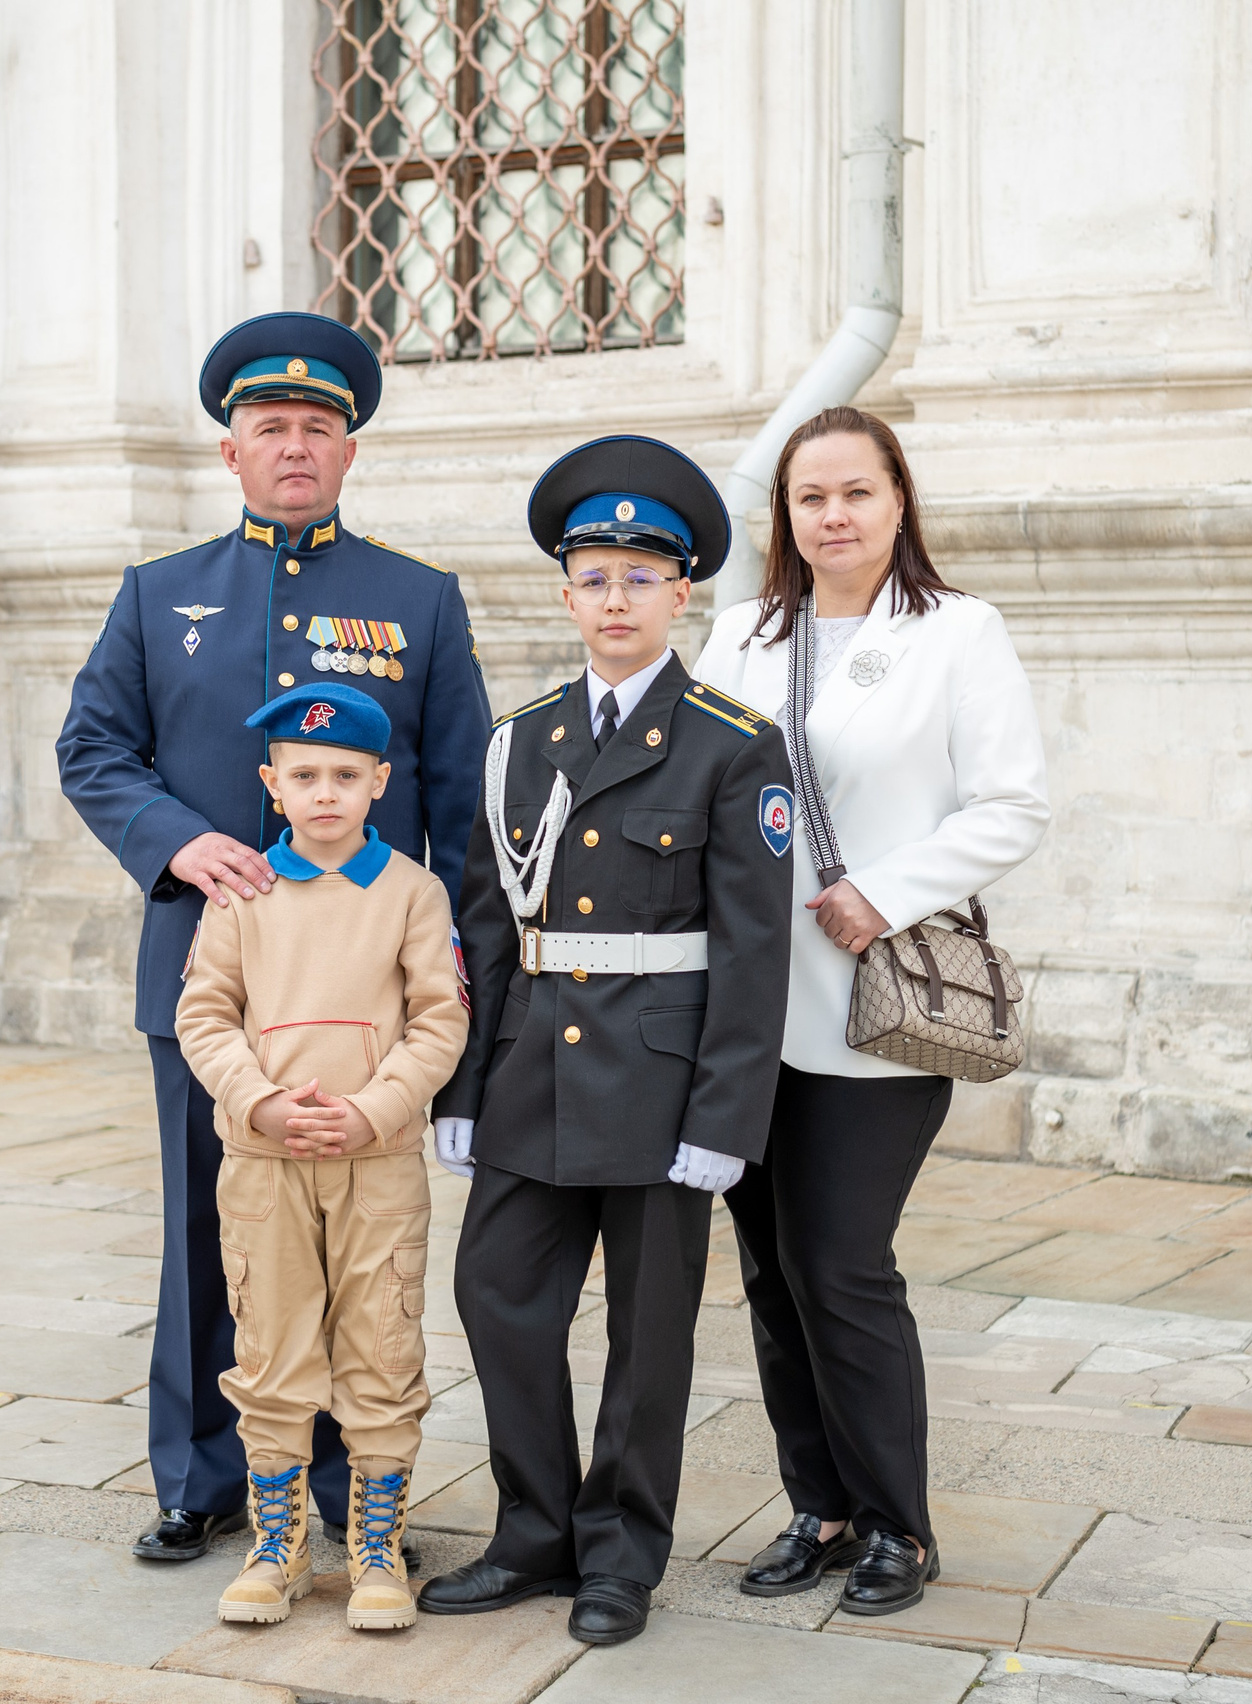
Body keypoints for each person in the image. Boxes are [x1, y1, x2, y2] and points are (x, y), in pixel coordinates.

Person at [58, 312, 490, 1562]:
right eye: (269, 429)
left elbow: (457, 800)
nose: (293, 447)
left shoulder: (417, 600)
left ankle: (362, 1493)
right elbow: (93, 749)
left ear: (347, 452)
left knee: (360, 1250)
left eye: (316, 429)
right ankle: (201, 1480)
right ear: (231, 453)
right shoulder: (161, 597)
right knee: (211, 1236)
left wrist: (446, 980)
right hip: (211, 980)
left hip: (364, 1002)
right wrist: (175, 840)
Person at [418, 435, 794, 1647]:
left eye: (641, 575)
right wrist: (462, 1087)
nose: (616, 597)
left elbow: (753, 952)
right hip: (530, 1068)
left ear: (681, 592)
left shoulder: (732, 741)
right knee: (496, 1297)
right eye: (594, 575)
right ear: (565, 591)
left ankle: (620, 1552)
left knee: (648, 1336)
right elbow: (486, 922)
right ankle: (533, 1532)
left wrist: (726, 1120)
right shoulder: (520, 740)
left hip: (661, 1084)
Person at [691, 405, 1049, 1616]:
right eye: (810, 498)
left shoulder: (957, 633)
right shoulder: (742, 632)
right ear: (783, 516)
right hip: (741, 1010)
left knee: (840, 1265)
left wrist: (880, 896)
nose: (833, 516)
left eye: (857, 492)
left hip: (870, 1004)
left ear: (899, 501)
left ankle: (899, 1524)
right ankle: (820, 1506)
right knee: (766, 1273)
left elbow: (1011, 806)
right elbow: (692, 786)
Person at [173, 681, 468, 1631]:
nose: (326, 793)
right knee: (270, 1345)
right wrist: (259, 1103)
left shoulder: (413, 892)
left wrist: (376, 1109)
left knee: (381, 1339)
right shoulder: (244, 892)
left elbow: (441, 1017)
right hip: (263, 1162)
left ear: (381, 780)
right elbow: (204, 1014)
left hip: (374, 1161)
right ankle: (279, 1546)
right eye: (305, 776)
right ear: (273, 783)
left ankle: (376, 1546)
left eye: (347, 774)